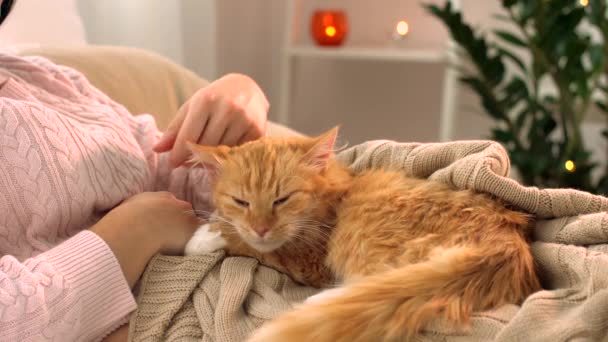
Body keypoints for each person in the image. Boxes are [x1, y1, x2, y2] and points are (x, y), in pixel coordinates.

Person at [0, 1, 269, 341]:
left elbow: (171, 170)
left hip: (240, 278)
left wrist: (240, 138)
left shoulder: (48, 79)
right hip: (194, 315)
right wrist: (127, 236)